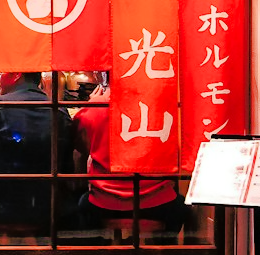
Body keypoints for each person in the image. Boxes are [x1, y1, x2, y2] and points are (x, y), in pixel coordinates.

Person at [69, 74, 187, 236]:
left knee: (82, 205)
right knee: (180, 206)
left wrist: (90, 105)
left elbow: (80, 145)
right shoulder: (159, 102)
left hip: (105, 202)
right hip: (157, 202)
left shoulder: (96, 108)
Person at [0, 71, 69, 239]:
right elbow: (65, 161)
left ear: (16, 75)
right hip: (47, 205)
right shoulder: (59, 110)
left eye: (0, 74)